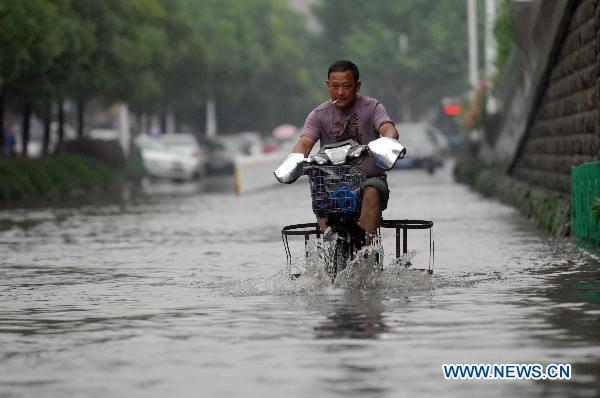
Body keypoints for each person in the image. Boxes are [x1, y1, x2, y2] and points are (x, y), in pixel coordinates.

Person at [291, 59, 399, 242]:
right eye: (335, 86)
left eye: (347, 86)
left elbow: (387, 127)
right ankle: (330, 247)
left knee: (372, 190)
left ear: (357, 85)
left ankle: (363, 252)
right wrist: (294, 160)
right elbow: (305, 143)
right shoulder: (318, 114)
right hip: (332, 181)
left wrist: (389, 138)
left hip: (369, 179)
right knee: (318, 184)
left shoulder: (372, 107)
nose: (340, 92)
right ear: (328, 85)